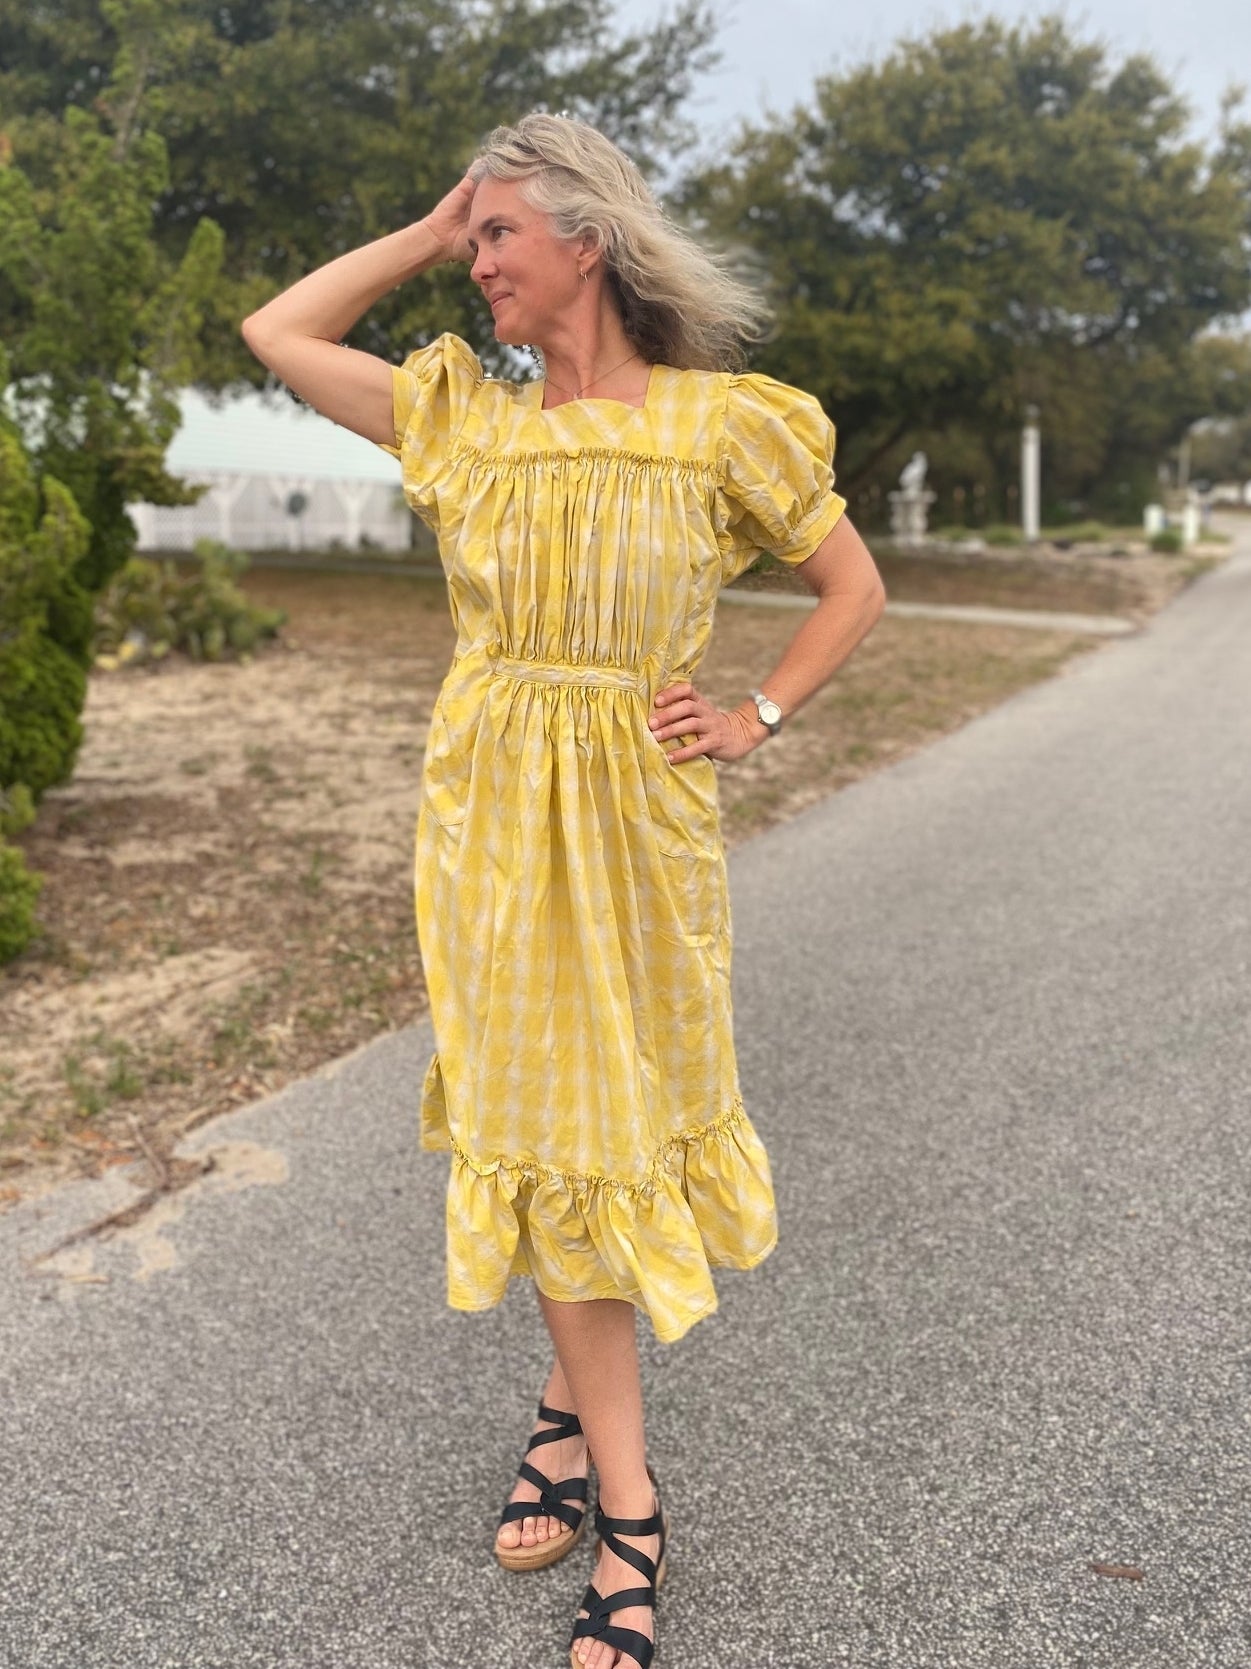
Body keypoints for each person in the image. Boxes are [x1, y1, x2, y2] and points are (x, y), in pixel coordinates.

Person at [242, 112, 885, 1669]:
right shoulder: (466, 415)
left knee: (608, 1133)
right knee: (542, 1136)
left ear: (586, 239)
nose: (476, 266)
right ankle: (630, 1499)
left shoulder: (725, 426)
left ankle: (573, 1428)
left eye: (498, 238)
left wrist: (758, 716)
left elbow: (852, 587)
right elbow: (276, 331)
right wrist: (424, 220)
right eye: (469, 240)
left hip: (639, 834)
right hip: (490, 831)